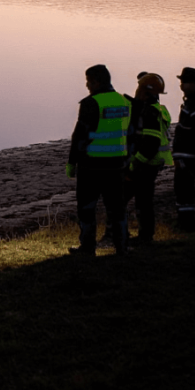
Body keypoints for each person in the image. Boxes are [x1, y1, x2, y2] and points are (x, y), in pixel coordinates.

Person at [66, 64, 131, 256]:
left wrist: (72, 162)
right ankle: (122, 247)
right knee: (117, 208)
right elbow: (130, 133)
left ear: (96, 82)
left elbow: (80, 136)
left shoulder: (91, 103)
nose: (87, 85)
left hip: (92, 165)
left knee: (87, 208)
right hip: (117, 164)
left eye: (88, 81)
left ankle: (87, 248)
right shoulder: (124, 101)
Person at [124, 73, 173, 244]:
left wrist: (134, 165)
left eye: (139, 87)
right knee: (144, 201)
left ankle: (136, 236)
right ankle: (145, 236)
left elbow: (150, 143)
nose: (136, 90)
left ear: (145, 90)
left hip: (145, 164)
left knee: (125, 199)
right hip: (152, 164)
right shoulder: (156, 109)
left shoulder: (149, 112)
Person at [172, 67, 195, 228]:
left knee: (184, 188)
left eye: (185, 82)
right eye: (181, 82)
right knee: (183, 188)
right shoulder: (193, 101)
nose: (182, 86)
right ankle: (185, 220)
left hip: (188, 154)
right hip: (184, 153)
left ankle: (186, 222)